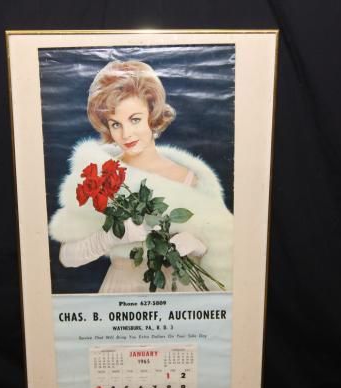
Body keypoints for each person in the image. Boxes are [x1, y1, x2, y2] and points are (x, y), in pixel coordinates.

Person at [49, 60, 233, 293]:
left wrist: (199, 248)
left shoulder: (191, 179)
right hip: (121, 291)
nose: (126, 134)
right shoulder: (100, 177)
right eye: (115, 124)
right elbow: (67, 257)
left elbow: (223, 253)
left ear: (152, 114)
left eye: (134, 119)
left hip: (180, 295)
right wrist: (110, 238)